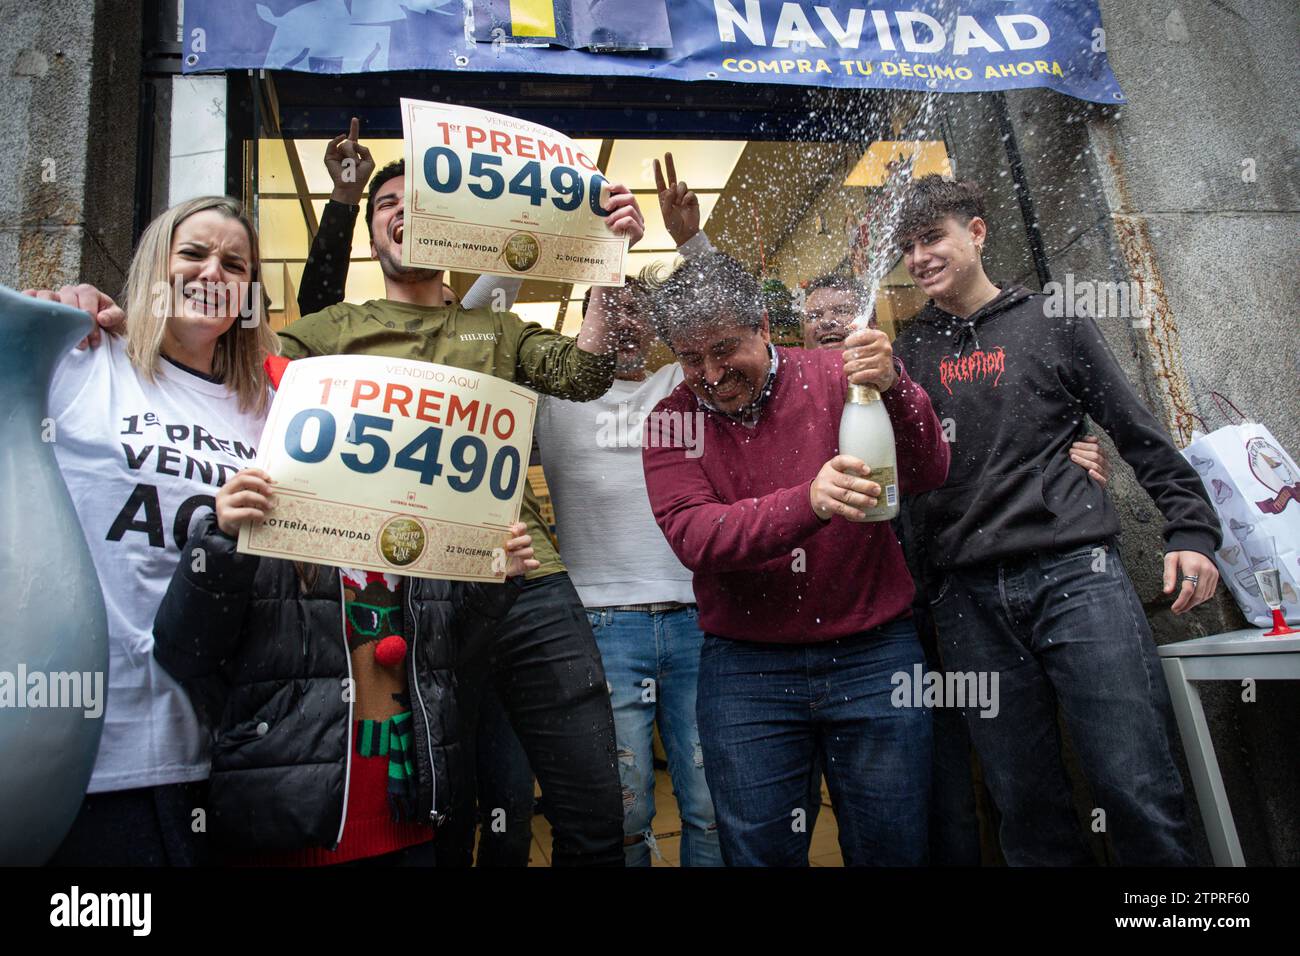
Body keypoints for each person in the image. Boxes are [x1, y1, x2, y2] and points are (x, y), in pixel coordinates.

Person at [274, 134, 646, 866]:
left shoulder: (498, 328)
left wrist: (607, 257)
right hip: (409, 595)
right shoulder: (327, 334)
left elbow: (586, 373)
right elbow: (239, 384)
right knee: (442, 811)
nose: (402, 212)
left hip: (527, 581)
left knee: (594, 805)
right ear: (372, 227)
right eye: (387, 205)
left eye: (418, 201)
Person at [890, 174, 1220, 866]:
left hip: (1078, 579)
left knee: (1136, 786)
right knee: (1023, 803)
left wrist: (1190, 531)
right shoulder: (907, 354)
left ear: (976, 232)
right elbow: (906, 486)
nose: (919, 257)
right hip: (967, 603)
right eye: (908, 246)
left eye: (933, 238)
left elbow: (1136, 432)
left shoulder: (1054, 319)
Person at [641, 251, 951, 866]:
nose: (710, 373)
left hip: (874, 654)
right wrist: (808, 501)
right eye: (689, 357)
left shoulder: (840, 375)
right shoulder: (670, 422)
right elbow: (694, 535)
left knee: (893, 847)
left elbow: (925, 470)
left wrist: (901, 390)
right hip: (745, 671)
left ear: (762, 325)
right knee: (758, 855)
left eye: (725, 348)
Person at [802, 269, 1113, 865]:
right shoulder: (795, 396)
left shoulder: (905, 377)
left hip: (945, 602)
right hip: (860, 631)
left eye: (843, 309)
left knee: (978, 779)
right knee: (906, 794)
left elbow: (989, 430)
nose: (830, 322)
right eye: (815, 314)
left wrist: (1069, 457)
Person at [26, 196, 280, 865]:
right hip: (79, 749)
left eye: (235, 263)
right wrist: (39, 312)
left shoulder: (273, 413)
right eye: (192, 253)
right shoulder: (80, 358)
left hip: (218, 753)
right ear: (153, 267)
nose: (213, 272)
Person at [151, 465, 538, 865]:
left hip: (412, 832)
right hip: (295, 836)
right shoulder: (267, 525)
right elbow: (184, 652)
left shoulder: (418, 535)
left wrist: (495, 584)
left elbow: (445, 660)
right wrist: (222, 540)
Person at [529, 154, 722, 866]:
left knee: (709, 807)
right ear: (583, 321)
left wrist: (687, 241)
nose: (622, 319)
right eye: (607, 305)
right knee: (624, 811)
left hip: (699, 620)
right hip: (601, 626)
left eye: (637, 309)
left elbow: (736, 318)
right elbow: (473, 333)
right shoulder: (553, 393)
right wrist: (606, 251)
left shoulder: (685, 384)